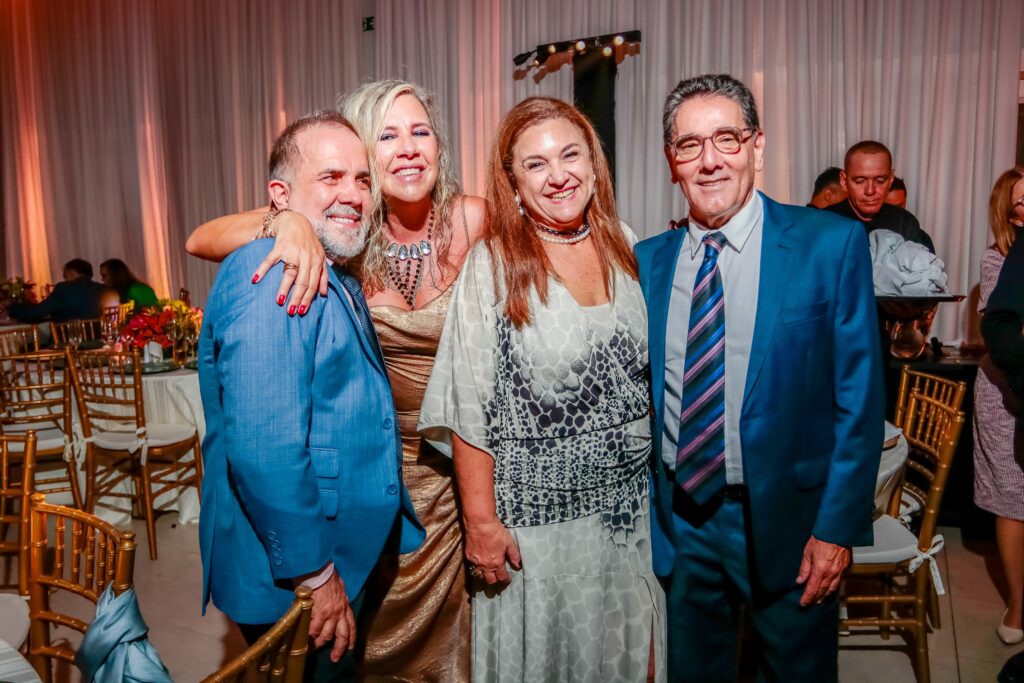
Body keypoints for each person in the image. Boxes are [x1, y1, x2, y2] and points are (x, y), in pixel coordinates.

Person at [187, 80, 484, 682]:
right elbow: (266, 445)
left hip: (449, 474)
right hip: (341, 505)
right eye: (388, 135)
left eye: (421, 131)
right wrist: (287, 221)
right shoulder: (311, 251)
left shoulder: (459, 219)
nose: (408, 147)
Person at [637, 74, 883, 682]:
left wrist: (836, 528)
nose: (710, 160)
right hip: (682, 523)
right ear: (671, 161)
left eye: (727, 138)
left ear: (757, 146)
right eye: (690, 145)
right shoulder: (647, 262)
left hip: (791, 523)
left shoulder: (830, 245)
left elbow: (859, 402)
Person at [418, 96, 665, 682]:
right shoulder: (494, 263)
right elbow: (468, 403)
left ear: (593, 164)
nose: (558, 176)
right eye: (535, 164)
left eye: (570, 155)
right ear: (512, 182)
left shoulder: (624, 244)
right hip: (536, 529)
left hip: (628, 517)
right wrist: (481, 524)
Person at [974, 168, 1024, 646]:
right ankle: (1018, 603)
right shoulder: (997, 260)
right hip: (1003, 393)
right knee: (1014, 498)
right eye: (1021, 203)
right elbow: (1004, 333)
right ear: (1008, 214)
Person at [825, 140, 935, 252]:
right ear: (844, 181)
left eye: (880, 180)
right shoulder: (825, 222)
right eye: (860, 181)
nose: (870, 191)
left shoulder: (905, 223)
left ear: (891, 179)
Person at [6, 258, 110, 322]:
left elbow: (34, 313)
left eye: (65, 276)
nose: (65, 280)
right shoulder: (103, 289)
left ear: (72, 272)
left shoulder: (64, 289)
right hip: (99, 342)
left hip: (68, 344)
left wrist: (10, 306)